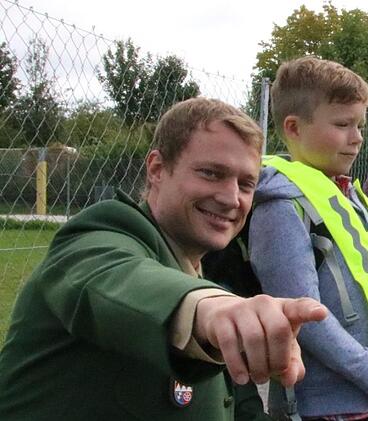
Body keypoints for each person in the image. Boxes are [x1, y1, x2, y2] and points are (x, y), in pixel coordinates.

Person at [0, 98, 328, 420]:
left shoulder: (200, 270)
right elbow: (118, 279)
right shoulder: (100, 235)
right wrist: (213, 309)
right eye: (211, 174)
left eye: (245, 184)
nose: (231, 198)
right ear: (157, 169)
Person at [248, 56, 368, 421]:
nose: (356, 138)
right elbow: (304, 316)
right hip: (321, 407)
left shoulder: (356, 203)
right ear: (293, 128)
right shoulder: (282, 207)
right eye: (342, 124)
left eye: (359, 124)